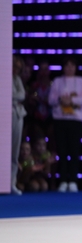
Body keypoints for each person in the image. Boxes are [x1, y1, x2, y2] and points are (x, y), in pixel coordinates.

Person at [48, 57, 82, 193]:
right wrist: (61, 99)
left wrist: (71, 100)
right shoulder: (57, 81)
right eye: (67, 65)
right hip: (60, 119)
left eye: (72, 65)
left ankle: (73, 181)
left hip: (75, 120)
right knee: (62, 151)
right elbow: (51, 99)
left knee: (74, 151)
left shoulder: (81, 81)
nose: (69, 68)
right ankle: (63, 181)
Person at [11, 55, 27, 195]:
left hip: (17, 115)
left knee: (14, 151)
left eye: (18, 68)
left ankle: (12, 183)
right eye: (14, 66)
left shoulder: (17, 79)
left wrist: (14, 96)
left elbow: (22, 95)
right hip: (6, 114)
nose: (16, 70)